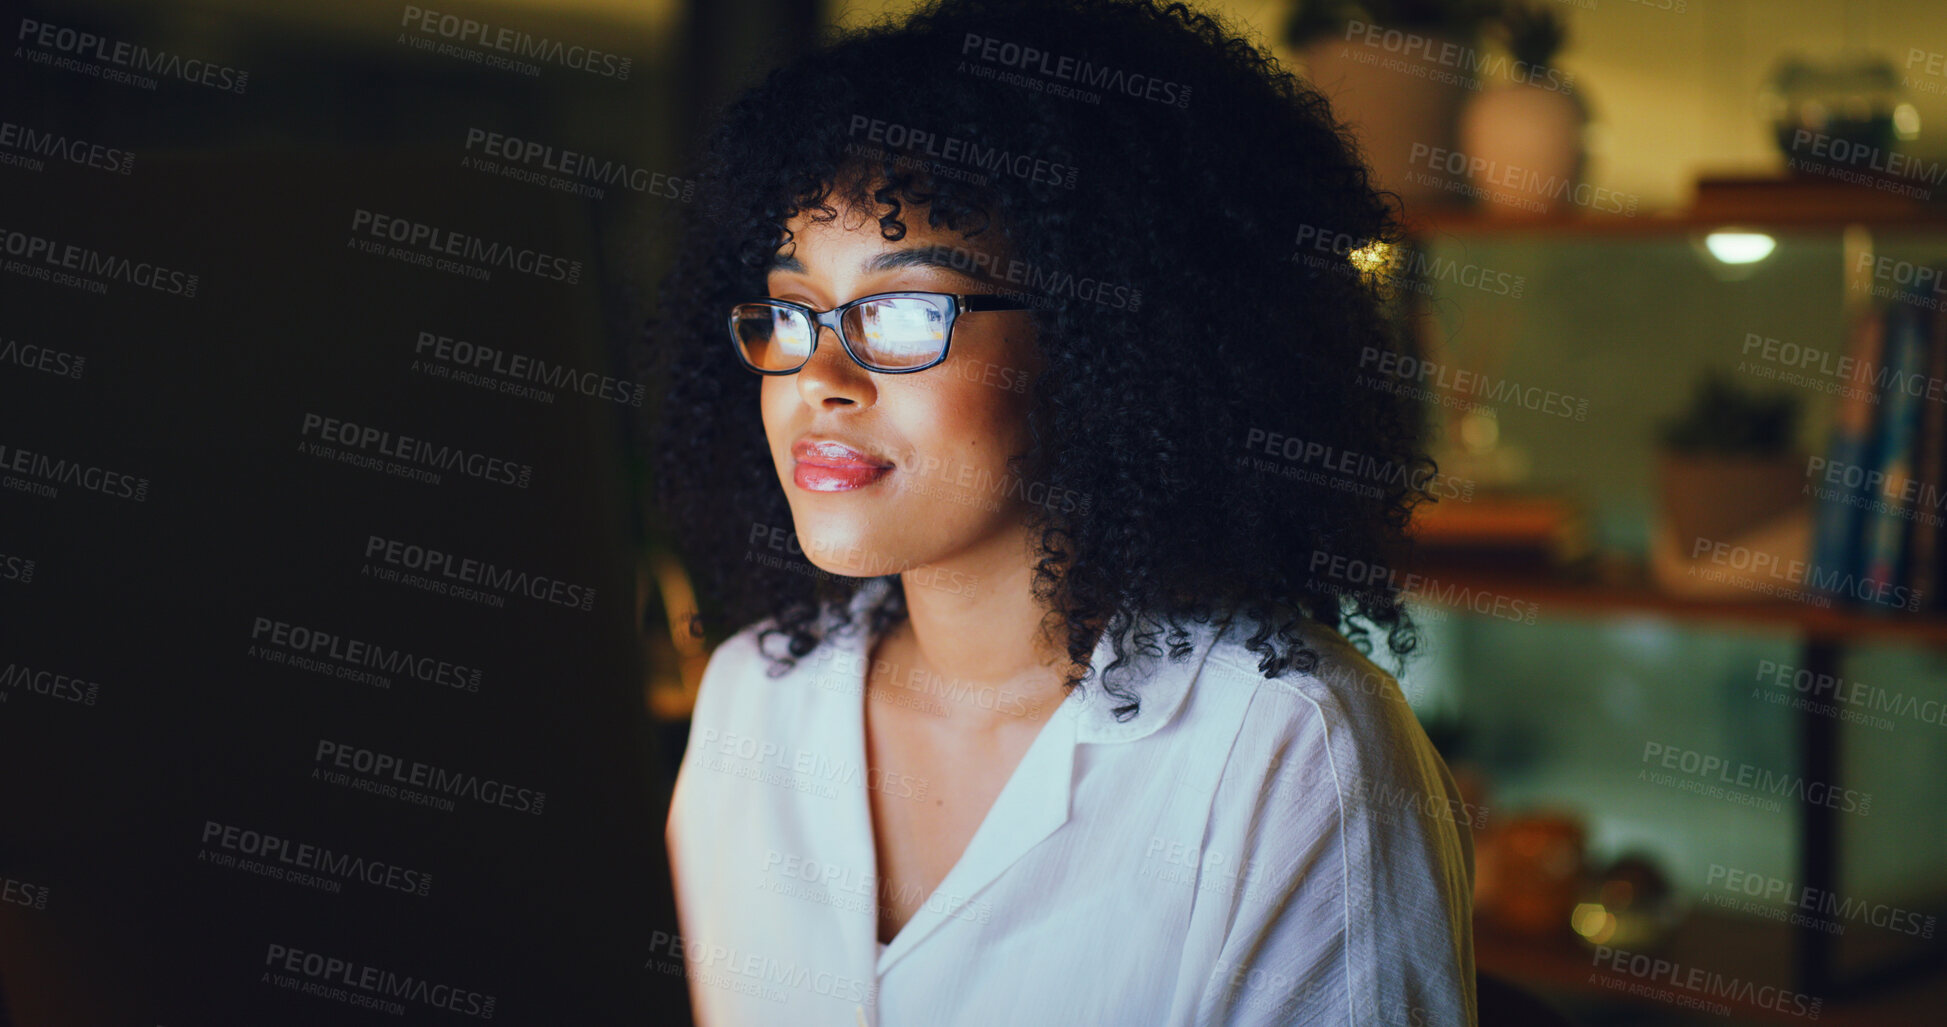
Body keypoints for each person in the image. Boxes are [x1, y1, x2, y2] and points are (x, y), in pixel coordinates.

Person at [645, 1, 1475, 1023]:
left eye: (903, 312)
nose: (820, 374)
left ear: (1106, 346)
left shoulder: (1289, 750)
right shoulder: (753, 699)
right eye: (790, 309)